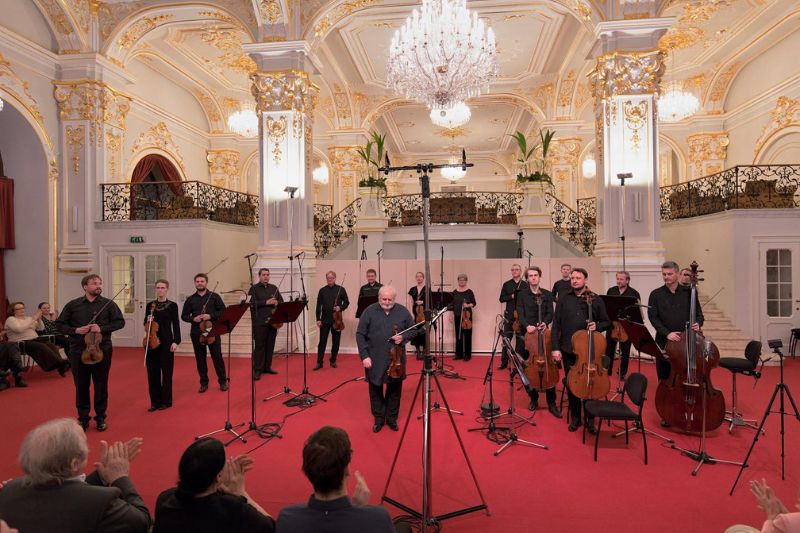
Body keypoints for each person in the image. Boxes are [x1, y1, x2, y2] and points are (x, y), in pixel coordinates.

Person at [0, 417, 150, 533]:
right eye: (85, 443)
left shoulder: (9, 490)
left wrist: (102, 476)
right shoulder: (102, 502)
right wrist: (120, 477)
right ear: (74, 464)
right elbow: (142, 523)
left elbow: (68, 491)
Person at [276, 426, 395, 532]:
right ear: (347, 469)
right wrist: (358, 508)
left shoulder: (287, 519)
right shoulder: (378, 519)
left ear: (308, 472)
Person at [152, 438, 274, 533]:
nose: (228, 464)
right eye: (225, 463)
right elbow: (273, 527)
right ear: (218, 476)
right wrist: (241, 494)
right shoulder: (234, 509)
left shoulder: (165, 499)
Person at [56, 274, 125, 431]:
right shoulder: (73, 305)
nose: (98, 285)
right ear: (85, 286)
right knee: (81, 385)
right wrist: (75, 330)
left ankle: (100, 417)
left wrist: (102, 328)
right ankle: (83, 417)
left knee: (101, 384)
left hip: (102, 349)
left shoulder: (108, 304)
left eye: (100, 283)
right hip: (78, 350)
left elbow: (120, 322)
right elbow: (59, 325)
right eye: (94, 283)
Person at [551, 268, 610, 433]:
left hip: (589, 351)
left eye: (578, 278)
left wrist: (596, 326)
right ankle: (576, 417)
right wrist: (555, 348)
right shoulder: (563, 298)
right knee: (573, 384)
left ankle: (590, 418)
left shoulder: (595, 299)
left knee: (589, 383)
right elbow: (556, 325)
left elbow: (607, 322)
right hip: (568, 349)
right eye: (573, 278)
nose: (574, 280)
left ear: (585, 279)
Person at [648, 261, 704, 426]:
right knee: (665, 378)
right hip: (665, 341)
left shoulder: (689, 292)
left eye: (669, 274)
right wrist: (667, 333)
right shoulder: (656, 294)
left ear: (678, 274)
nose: (666, 277)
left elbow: (699, 315)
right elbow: (653, 318)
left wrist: (698, 323)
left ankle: (688, 408)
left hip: (686, 342)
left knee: (686, 376)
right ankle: (666, 412)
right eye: (664, 274)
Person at [356, 286, 416, 432]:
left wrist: (403, 337)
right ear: (379, 297)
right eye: (384, 299)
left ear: (394, 299)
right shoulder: (369, 311)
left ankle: (391, 419)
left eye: (390, 299)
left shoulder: (402, 311)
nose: (387, 302)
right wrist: (364, 356)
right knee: (375, 389)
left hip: (396, 359)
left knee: (394, 390)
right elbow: (360, 334)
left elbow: (414, 329)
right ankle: (378, 419)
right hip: (374, 358)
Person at [516, 266, 561, 418]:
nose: (533, 278)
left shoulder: (547, 294)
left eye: (536, 275)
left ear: (539, 277)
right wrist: (526, 325)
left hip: (544, 333)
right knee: (530, 368)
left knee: (547, 364)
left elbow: (550, 313)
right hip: (528, 334)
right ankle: (533, 398)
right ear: (527, 279)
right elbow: (520, 313)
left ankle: (551, 402)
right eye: (530, 276)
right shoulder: (522, 294)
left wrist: (545, 322)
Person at [181, 273, 227, 393]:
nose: (200, 283)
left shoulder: (214, 296)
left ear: (206, 282)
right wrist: (193, 319)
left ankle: (222, 381)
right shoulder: (190, 299)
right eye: (197, 281)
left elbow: (223, 311)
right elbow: (184, 316)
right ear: (195, 283)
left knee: (217, 356)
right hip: (197, 331)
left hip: (212, 330)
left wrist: (210, 315)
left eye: (202, 281)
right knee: (200, 358)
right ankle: (203, 383)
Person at [143, 279, 181, 411]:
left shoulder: (172, 305)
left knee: (166, 373)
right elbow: (145, 324)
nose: (160, 290)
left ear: (167, 289)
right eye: (158, 287)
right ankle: (155, 402)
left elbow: (175, 325)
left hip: (166, 342)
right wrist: (149, 320)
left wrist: (176, 341)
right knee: (152, 374)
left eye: (162, 287)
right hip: (152, 342)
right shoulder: (150, 305)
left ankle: (166, 401)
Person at [5, 301, 69, 376]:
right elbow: (19, 329)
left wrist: (38, 319)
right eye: (18, 309)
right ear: (13, 311)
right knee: (41, 346)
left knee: (51, 345)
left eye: (23, 308)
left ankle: (59, 365)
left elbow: (41, 328)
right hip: (20, 342)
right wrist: (34, 318)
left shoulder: (28, 318)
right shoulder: (11, 319)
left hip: (34, 339)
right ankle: (61, 363)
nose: (22, 310)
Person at [605, 271, 641, 382]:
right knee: (609, 349)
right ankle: (607, 371)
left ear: (627, 280)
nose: (619, 281)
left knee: (625, 351)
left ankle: (622, 373)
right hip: (613, 324)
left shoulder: (634, 293)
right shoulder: (611, 290)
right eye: (618, 279)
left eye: (621, 279)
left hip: (626, 326)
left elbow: (637, 312)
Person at [248, 268, 284, 379]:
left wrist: (277, 302)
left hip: (273, 322)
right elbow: (251, 304)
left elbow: (281, 301)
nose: (266, 277)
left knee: (270, 345)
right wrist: (266, 302)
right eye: (264, 275)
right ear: (259, 276)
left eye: (268, 275)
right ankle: (257, 370)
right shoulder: (253, 289)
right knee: (259, 347)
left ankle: (267, 367)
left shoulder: (274, 288)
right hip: (259, 322)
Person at [315, 271, 349, 370]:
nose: (329, 279)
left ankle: (333, 360)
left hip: (337, 320)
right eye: (328, 278)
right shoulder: (322, 290)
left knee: (336, 341)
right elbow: (318, 306)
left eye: (331, 277)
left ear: (335, 278)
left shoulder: (341, 289)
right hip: (325, 320)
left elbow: (347, 302)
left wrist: (340, 307)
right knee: (322, 342)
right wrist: (318, 319)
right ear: (326, 279)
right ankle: (319, 362)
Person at [499, 264, 526, 369]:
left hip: (521, 316)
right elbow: (501, 298)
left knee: (520, 340)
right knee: (506, 339)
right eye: (513, 270)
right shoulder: (506, 284)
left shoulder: (525, 284)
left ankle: (518, 362)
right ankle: (504, 362)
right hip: (509, 315)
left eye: (517, 270)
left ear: (520, 271)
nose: (514, 271)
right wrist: (511, 296)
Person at [452, 274, 476, 361]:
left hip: (467, 316)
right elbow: (452, 305)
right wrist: (451, 315)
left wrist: (468, 305)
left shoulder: (469, 292)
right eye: (460, 280)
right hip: (457, 315)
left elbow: (474, 303)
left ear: (466, 281)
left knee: (467, 335)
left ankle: (467, 355)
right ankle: (459, 354)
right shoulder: (454, 292)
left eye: (463, 280)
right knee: (458, 335)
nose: (461, 281)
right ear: (458, 281)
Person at [407, 271, 428, 359]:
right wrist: (410, 313)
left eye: (420, 277)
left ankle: (424, 351)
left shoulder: (427, 288)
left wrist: (423, 302)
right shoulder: (412, 289)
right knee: (416, 332)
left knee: (424, 332)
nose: (419, 278)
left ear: (423, 278)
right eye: (417, 276)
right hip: (415, 314)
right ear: (416, 278)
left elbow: (430, 301)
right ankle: (418, 351)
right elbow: (410, 301)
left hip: (424, 314)